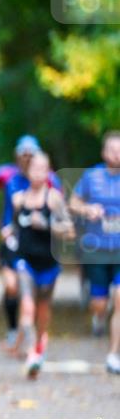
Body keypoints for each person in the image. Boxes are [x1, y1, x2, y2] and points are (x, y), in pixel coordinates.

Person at [0, 135, 62, 352]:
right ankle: (15, 331)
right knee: (13, 287)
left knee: (40, 301)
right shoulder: (7, 174)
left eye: (31, 153)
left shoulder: (51, 181)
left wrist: (49, 226)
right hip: (14, 241)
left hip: (43, 248)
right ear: (17, 154)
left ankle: (31, 340)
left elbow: (62, 218)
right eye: (23, 153)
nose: (27, 157)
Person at [3, 151, 74, 379]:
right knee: (27, 306)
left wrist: (47, 224)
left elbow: (70, 231)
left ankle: (39, 346)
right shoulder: (18, 199)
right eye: (34, 169)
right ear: (26, 170)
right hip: (25, 261)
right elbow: (14, 227)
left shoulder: (54, 198)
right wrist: (8, 233)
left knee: (43, 310)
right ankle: (32, 353)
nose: (38, 174)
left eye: (43, 169)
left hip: (48, 264)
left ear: (49, 171)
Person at [70, 130, 120, 375]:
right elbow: (73, 203)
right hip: (98, 250)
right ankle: (99, 316)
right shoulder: (92, 176)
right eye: (113, 149)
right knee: (99, 303)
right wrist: (87, 208)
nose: (117, 154)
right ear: (104, 153)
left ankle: (113, 354)